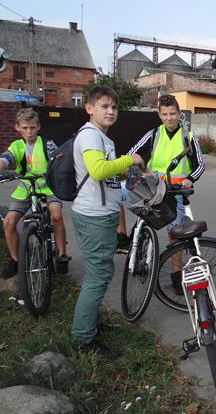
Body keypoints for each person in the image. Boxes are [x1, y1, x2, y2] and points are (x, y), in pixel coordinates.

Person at [71, 86, 145, 357]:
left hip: (100, 214)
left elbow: (109, 176)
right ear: (89, 108)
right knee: (98, 276)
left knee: (99, 274)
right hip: (94, 216)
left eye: (114, 107)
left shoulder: (102, 137)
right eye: (104, 106)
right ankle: (83, 338)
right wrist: (130, 158)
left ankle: (88, 323)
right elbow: (98, 170)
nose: (111, 111)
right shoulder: (91, 135)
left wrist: (128, 171)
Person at [128, 94, 205, 294]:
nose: (169, 118)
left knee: (175, 234)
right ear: (159, 114)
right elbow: (132, 153)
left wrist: (191, 178)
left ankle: (176, 275)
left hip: (175, 191)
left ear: (179, 114)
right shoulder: (154, 133)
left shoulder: (188, 137)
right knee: (143, 224)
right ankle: (139, 257)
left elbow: (200, 165)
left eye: (172, 114)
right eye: (165, 114)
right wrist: (137, 167)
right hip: (152, 189)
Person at [0, 108, 70, 278]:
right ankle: (15, 260)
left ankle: (62, 255)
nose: (29, 131)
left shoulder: (47, 143)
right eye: (25, 128)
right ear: (17, 127)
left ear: (38, 126)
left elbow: (57, 159)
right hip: (26, 188)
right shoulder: (16, 146)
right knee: (9, 221)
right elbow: (6, 158)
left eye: (32, 127)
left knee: (56, 216)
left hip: (49, 187)